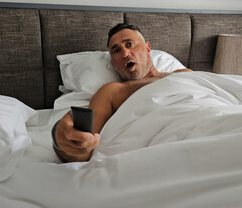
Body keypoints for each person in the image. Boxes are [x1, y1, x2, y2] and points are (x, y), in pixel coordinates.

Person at [52, 23, 192, 162]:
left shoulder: (184, 74)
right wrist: (61, 139)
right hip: (169, 147)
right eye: (116, 51)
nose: (125, 53)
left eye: (130, 44)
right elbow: (84, 148)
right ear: (113, 63)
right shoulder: (111, 92)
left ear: (148, 48)